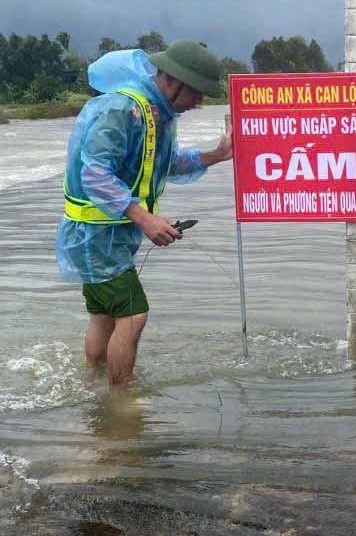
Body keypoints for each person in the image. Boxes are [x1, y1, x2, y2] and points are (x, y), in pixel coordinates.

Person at [56, 41, 232, 386]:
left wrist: (217, 154)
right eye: (196, 92)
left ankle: (92, 386)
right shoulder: (123, 109)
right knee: (134, 315)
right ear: (171, 79)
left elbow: (170, 164)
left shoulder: (159, 116)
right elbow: (96, 175)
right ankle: (121, 399)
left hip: (111, 236)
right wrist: (145, 218)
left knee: (105, 318)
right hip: (94, 236)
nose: (199, 102)